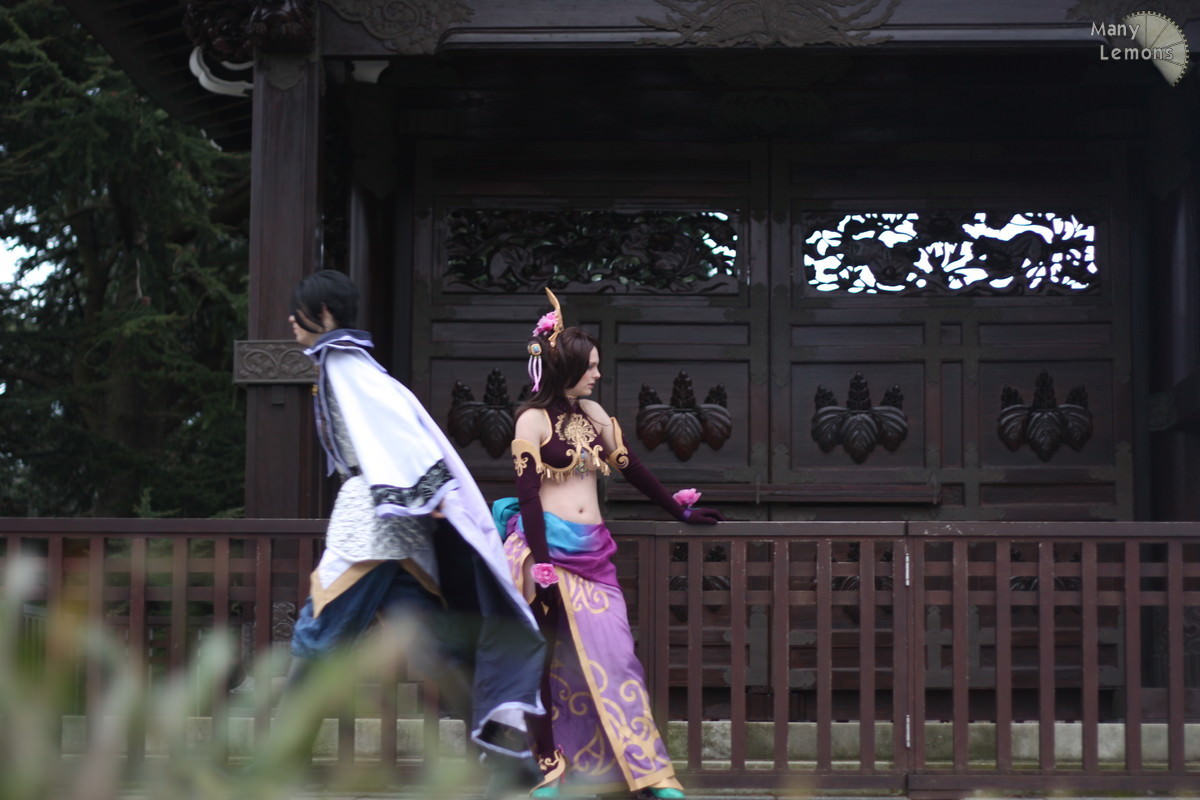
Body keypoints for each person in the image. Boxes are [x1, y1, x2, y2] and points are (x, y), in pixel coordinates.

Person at [285, 269, 545, 782]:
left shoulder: (342, 361)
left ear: (325, 315)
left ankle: (277, 761)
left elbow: (397, 434)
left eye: (300, 311)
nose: (292, 321)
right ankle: (509, 759)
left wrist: (424, 490)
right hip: (398, 529)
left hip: (370, 528)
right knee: (439, 647)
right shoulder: (359, 365)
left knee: (317, 634)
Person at [492, 289, 724, 800]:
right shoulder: (532, 420)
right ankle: (549, 770)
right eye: (591, 366)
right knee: (541, 662)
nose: (597, 374)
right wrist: (542, 566)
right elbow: (528, 497)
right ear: (567, 367)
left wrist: (679, 510)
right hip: (546, 552)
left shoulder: (594, 413)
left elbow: (631, 468)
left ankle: (649, 774)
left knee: (618, 660)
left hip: (594, 554)